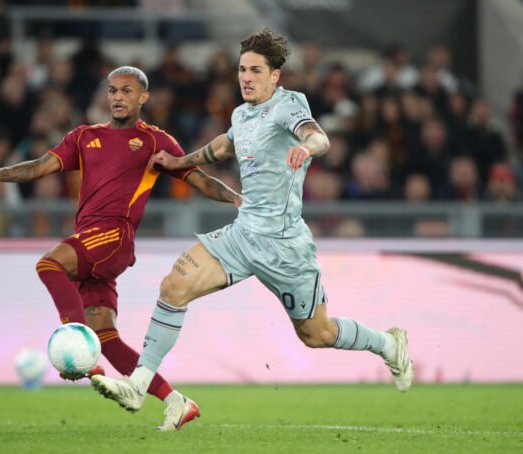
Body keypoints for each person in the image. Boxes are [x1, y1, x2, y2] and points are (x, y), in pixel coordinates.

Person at [91, 30, 414, 417]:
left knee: (318, 334)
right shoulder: (241, 114)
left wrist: (305, 147)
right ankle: (138, 386)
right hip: (243, 236)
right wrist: (179, 162)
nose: (246, 77)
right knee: (174, 286)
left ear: (275, 75)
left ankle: (388, 344)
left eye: (255, 70)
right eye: (242, 69)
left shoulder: (288, 105)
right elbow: (224, 145)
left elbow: (319, 137)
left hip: (284, 246)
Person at [0, 66, 241, 431]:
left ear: (143, 97)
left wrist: (238, 199)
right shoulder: (85, 136)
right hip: (91, 240)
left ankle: (74, 340)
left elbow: (200, 180)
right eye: (113, 90)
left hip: (114, 235)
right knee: (107, 337)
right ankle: (177, 402)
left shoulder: (155, 140)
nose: (117, 97)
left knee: (49, 266)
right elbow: (40, 167)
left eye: (126, 91)